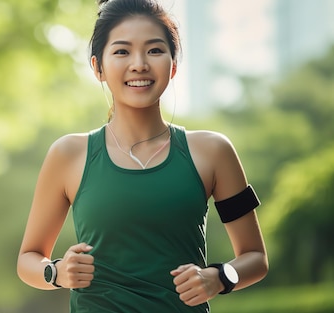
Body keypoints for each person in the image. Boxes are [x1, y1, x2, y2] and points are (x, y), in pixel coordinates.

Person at [16, 0, 268, 312]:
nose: (139, 64)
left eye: (154, 50)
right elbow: (28, 258)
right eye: (122, 51)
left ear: (173, 65)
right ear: (98, 68)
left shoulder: (213, 152)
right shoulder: (68, 154)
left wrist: (218, 277)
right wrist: (56, 272)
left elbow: (255, 257)